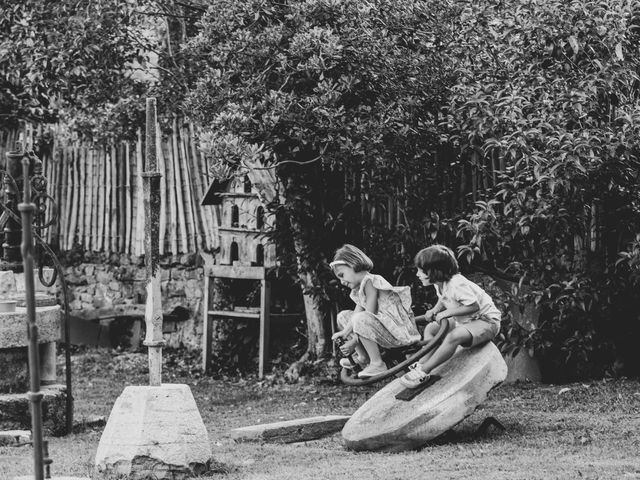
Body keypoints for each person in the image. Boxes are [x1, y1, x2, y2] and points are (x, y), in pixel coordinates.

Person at [400, 244, 501, 388]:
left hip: (486, 321)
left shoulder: (456, 284)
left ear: (435, 271)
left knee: (453, 336)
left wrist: (446, 313)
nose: (417, 274)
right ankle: (422, 362)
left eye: (421, 271)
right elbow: (444, 297)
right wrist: (435, 310)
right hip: (466, 321)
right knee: (431, 329)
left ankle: (424, 371)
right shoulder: (440, 283)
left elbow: (473, 306)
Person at [330, 244, 420, 378]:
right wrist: (344, 332)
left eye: (342, 275)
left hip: (397, 332)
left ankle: (377, 363)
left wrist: (355, 340)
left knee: (360, 318)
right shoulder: (359, 287)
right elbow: (358, 311)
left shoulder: (370, 281)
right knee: (343, 316)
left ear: (353, 264)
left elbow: (368, 313)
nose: (342, 281)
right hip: (383, 329)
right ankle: (363, 357)